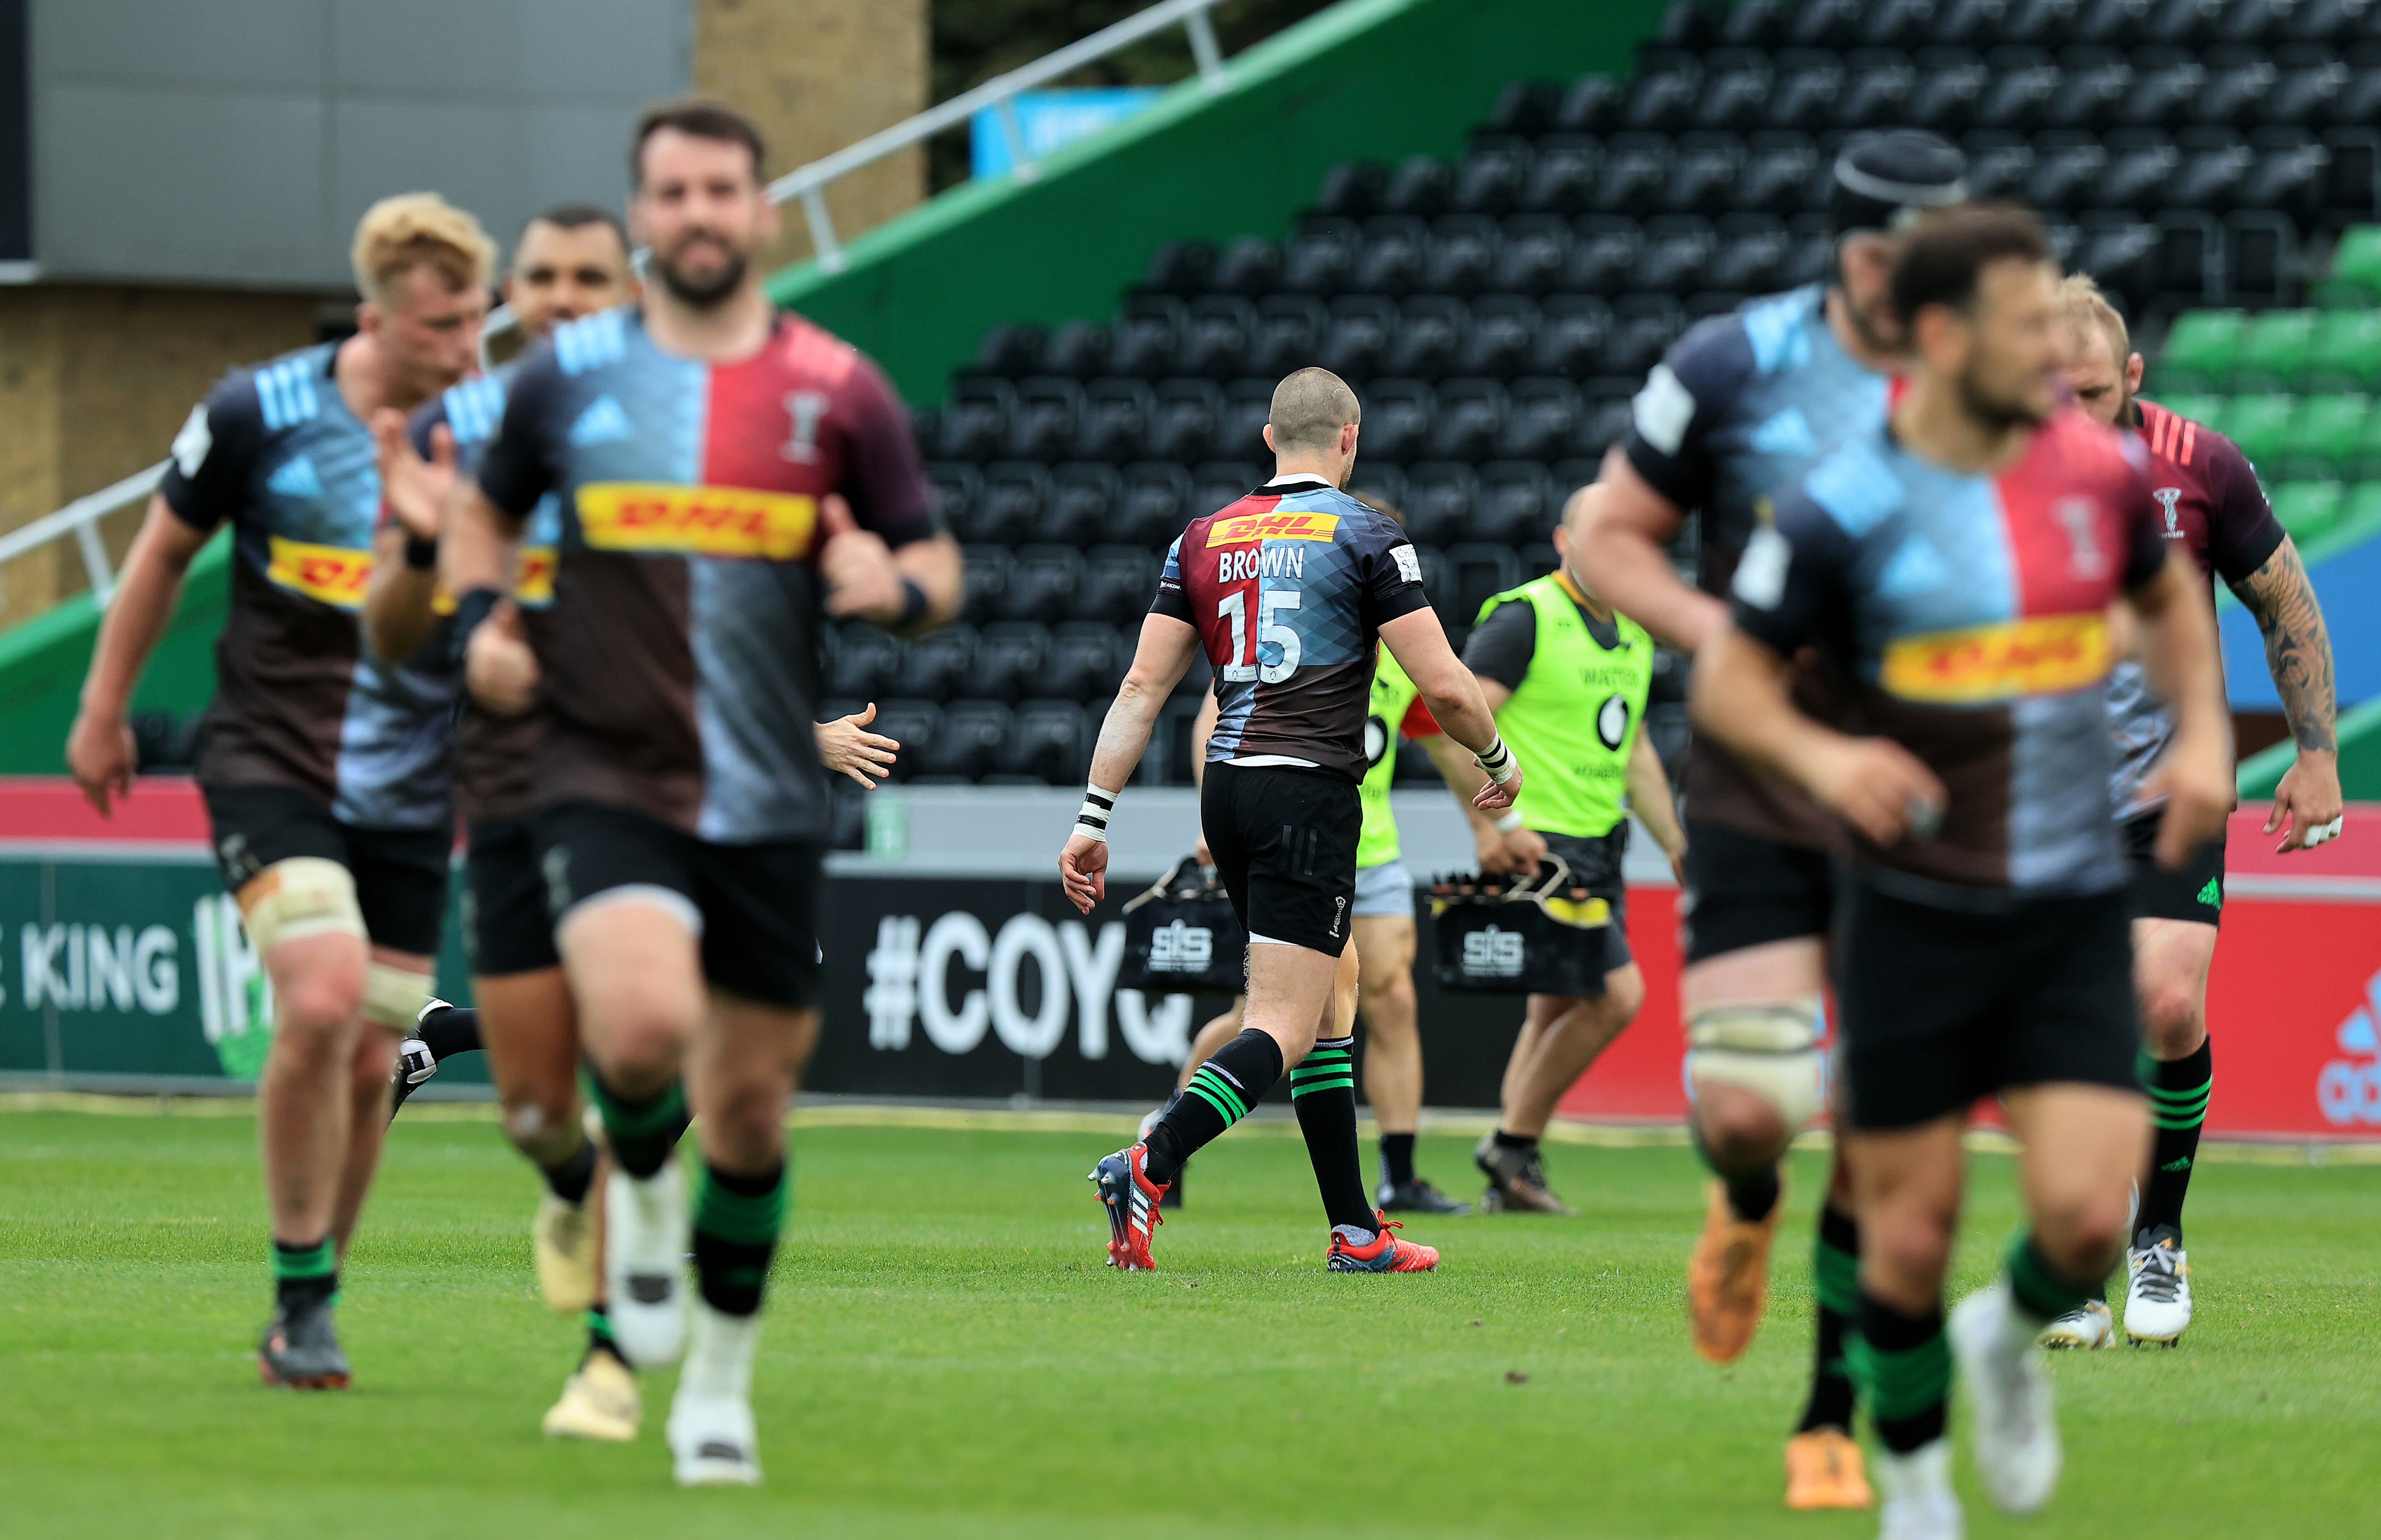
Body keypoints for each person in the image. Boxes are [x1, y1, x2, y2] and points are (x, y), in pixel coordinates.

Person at [1690, 203, 2231, 1540]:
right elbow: (1734, 685)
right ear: (1942, 337)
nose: (2048, 344)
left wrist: (2211, 746)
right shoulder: (1841, 499)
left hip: (2065, 895)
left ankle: (2007, 1334)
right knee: (1909, 1230)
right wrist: (1827, 766)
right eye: (2020, 320)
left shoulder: (2096, 477)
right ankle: (1918, 1486)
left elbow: (2172, 615)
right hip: (1917, 906)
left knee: (2081, 1224)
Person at [442, 99, 961, 1485]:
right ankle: (644, 1205)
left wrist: (889, 586)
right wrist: (486, 612)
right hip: (604, 768)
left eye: (721, 190)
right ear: (644, 216)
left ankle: (716, 1387)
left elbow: (937, 565)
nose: (698, 215)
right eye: (671, 193)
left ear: (761, 209)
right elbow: (485, 514)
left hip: (770, 795)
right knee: (638, 1026)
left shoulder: (838, 389)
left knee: (750, 1115)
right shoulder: (568, 383)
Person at [1573, 128, 1967, 1506]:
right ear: (1860, 254)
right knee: (1752, 1111)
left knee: (1883, 1113)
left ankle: (1828, 1411)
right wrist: (1715, 627)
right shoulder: (1729, 365)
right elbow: (1600, 537)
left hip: (1926, 798)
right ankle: (1742, 1204)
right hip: (1759, 781)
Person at [66, 193, 494, 1390]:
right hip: (271, 760)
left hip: (413, 786)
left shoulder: (493, 433)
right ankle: (304, 1291)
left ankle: (306, 1307)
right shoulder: (260, 411)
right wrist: (102, 710)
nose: (466, 347)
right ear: (375, 318)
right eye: (440, 326)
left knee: (370, 1057)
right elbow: (159, 554)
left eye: (477, 321)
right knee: (320, 1000)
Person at [1061, 367, 1518, 1274]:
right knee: (1284, 1020)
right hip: (1307, 791)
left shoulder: (1202, 536)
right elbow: (1446, 687)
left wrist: (1093, 815)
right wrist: (1499, 764)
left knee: (1336, 994)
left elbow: (1142, 689)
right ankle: (1150, 1160)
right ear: (1350, 439)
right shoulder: (1366, 534)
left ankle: (1355, 1231)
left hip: (1227, 789)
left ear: (1270, 439)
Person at [2034, 276, 2342, 1349]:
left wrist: (2316, 753)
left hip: (2173, 785)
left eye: (2088, 396)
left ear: (2131, 376)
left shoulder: (2199, 465)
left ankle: (2155, 1236)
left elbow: (2285, 596)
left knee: (2166, 1003)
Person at [1160, 505, 1478, 1217]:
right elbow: (1221, 716)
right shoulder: (1306, 637)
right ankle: (1169, 1136)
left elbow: (1442, 735)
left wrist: (1492, 824)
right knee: (1276, 1016)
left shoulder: (1399, 654)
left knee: (1387, 998)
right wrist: (1207, 816)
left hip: (1375, 847)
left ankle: (1392, 1179)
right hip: (1299, 831)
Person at [1453, 485, 1686, 1214]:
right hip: (1542, 847)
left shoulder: (1636, 635)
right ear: (1564, 540)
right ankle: (1511, 1146)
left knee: (1554, 1009)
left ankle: (1511, 1173)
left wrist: (1677, 844)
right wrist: (1491, 826)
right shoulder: (1526, 617)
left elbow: (1636, 751)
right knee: (1619, 997)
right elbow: (1452, 714)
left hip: (1600, 844)